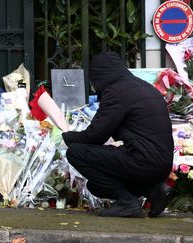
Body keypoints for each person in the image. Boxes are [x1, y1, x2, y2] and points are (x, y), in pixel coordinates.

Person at [62, 52, 174, 218]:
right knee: (95, 186)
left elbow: (96, 136)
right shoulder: (143, 87)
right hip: (161, 163)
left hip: (144, 161)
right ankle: (154, 191)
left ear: (100, 76)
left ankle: (127, 202)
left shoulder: (117, 91)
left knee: (76, 153)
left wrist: (68, 136)